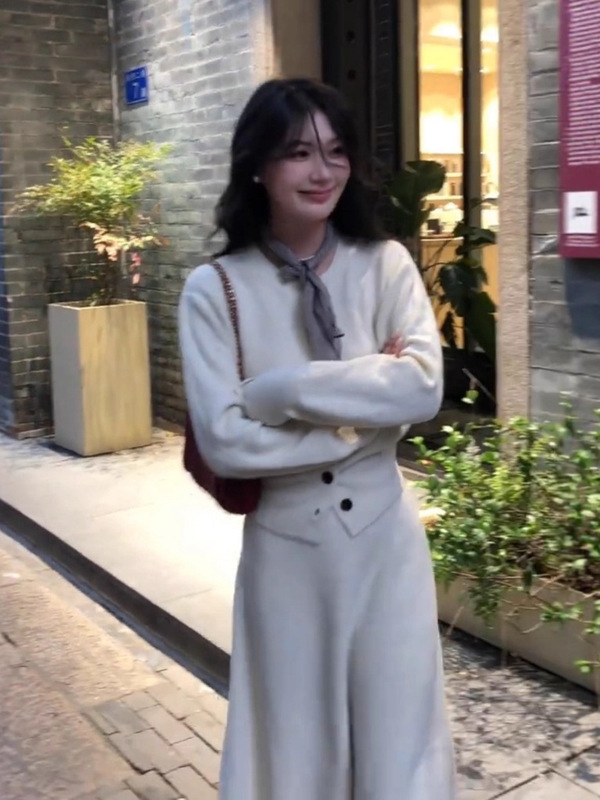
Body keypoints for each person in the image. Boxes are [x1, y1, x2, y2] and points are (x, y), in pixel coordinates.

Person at [178, 77, 456, 800]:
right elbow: (226, 444)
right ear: (258, 166)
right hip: (286, 553)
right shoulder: (214, 289)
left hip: (387, 543)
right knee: (294, 750)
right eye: (298, 152)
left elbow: (422, 389)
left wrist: (278, 391)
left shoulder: (386, 264)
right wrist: (366, 416)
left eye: (335, 151)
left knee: (402, 745)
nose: (322, 171)